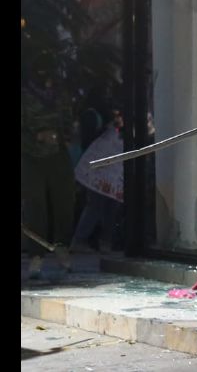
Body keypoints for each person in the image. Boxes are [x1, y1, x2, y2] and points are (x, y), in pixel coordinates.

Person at [21, 57, 76, 278]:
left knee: (64, 202)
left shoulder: (60, 97)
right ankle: (36, 257)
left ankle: (62, 248)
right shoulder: (25, 97)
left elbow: (68, 123)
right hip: (31, 157)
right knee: (36, 207)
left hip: (58, 156)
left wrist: (62, 137)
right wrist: (38, 136)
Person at [70, 109, 125, 254]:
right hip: (100, 174)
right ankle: (82, 240)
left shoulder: (114, 132)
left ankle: (104, 241)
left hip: (112, 174)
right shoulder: (111, 133)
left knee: (109, 208)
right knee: (96, 207)